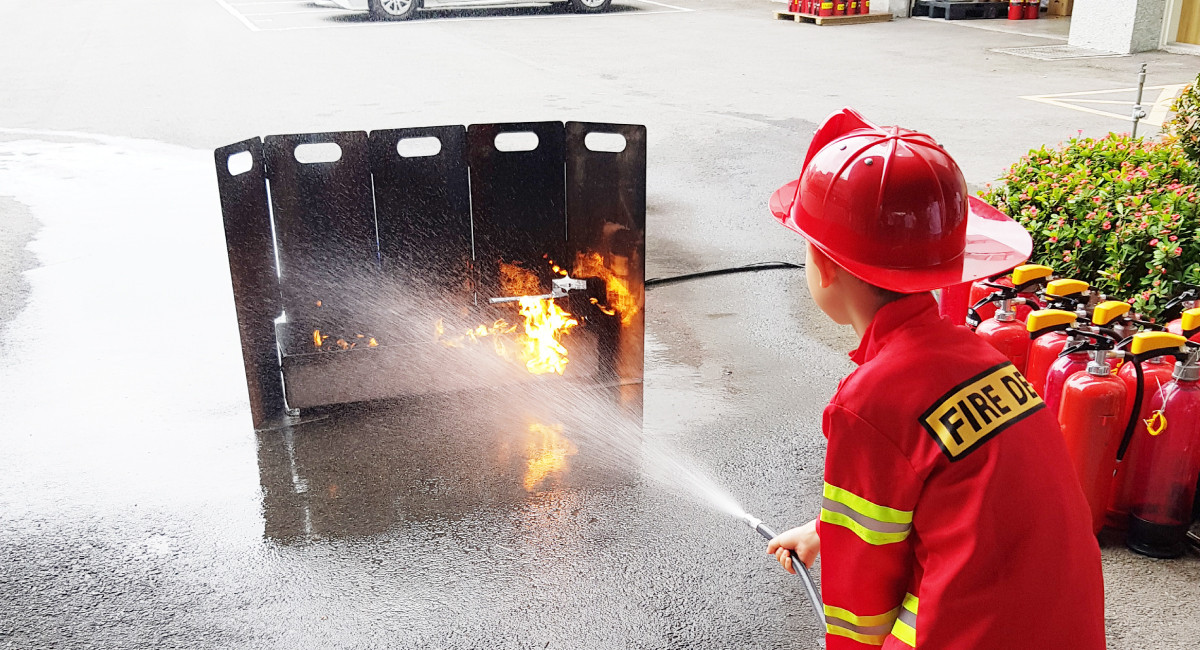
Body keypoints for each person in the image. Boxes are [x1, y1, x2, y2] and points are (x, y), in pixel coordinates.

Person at [764, 108, 1106, 649]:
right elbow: (953, 498)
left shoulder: (871, 400)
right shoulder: (979, 358)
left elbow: (861, 599)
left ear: (823, 265)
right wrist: (826, 530)